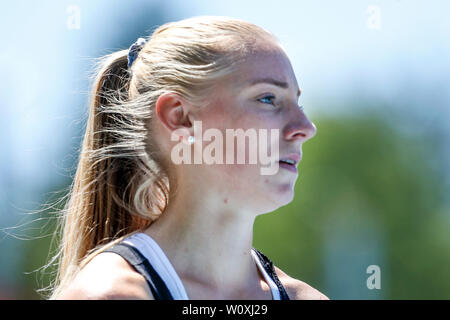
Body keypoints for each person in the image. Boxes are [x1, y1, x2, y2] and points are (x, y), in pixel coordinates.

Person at [50, 16, 328, 300]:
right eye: (268, 98)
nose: (305, 128)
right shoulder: (112, 294)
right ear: (179, 117)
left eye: (298, 102)